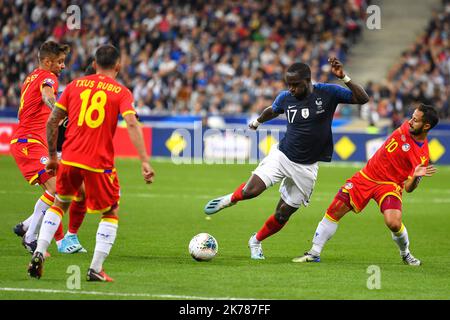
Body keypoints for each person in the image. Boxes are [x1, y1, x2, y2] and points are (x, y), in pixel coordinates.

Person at [204, 57, 369, 259]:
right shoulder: (286, 98)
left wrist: (344, 77)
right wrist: (257, 122)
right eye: (288, 85)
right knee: (251, 191)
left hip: (307, 168)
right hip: (282, 155)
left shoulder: (328, 92)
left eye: (295, 85)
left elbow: (363, 99)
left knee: (282, 214)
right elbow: (272, 111)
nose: (291, 89)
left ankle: (255, 241)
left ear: (308, 81)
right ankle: (229, 200)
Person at [27, 44, 155, 281]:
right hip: (99, 162)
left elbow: (52, 121)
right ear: (118, 66)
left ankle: (39, 251)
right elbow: (133, 124)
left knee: (59, 203)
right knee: (110, 211)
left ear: (94, 64)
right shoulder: (121, 92)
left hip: (70, 157)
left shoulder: (74, 86)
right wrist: (144, 161)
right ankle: (95, 268)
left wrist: (54, 158)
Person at [293, 104, 438, 265]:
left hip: (389, 185)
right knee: (335, 208)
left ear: (426, 126)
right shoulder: (406, 127)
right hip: (366, 176)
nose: (410, 121)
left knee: (393, 223)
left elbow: (409, 188)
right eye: (412, 117)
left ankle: (406, 253)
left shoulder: (422, 156)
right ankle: (314, 252)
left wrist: (417, 177)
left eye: (415, 120)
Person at [10, 41, 85, 255]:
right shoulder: (47, 77)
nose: (63, 66)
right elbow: (47, 95)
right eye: (60, 62)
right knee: (56, 188)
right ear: (47, 61)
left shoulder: (31, 76)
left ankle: (26, 226)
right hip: (28, 143)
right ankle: (30, 237)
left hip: (31, 141)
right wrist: (59, 113)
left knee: (58, 188)